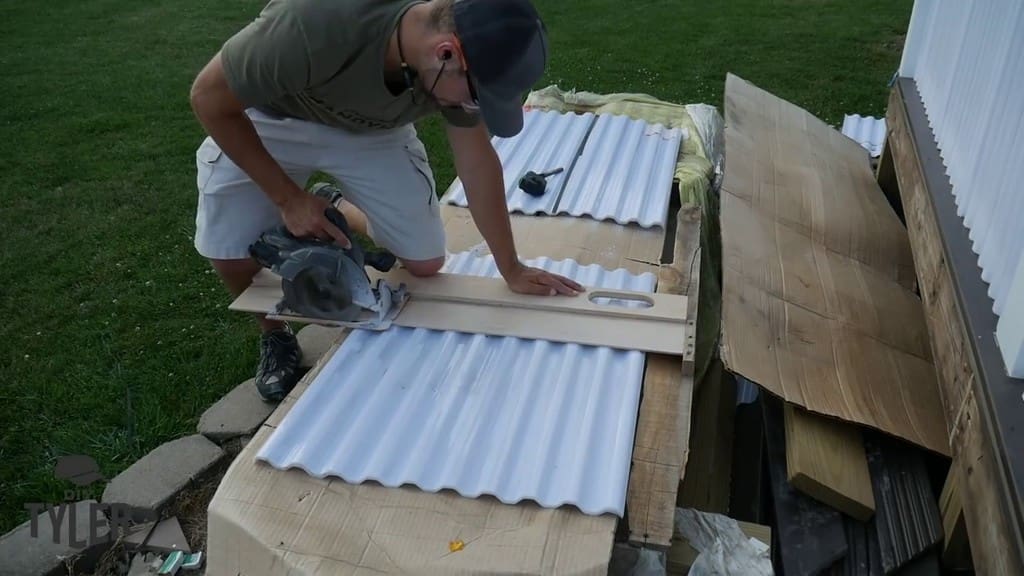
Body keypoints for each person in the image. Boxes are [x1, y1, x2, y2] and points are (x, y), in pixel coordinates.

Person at [189, 0, 585, 402]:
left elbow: (477, 162)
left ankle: (335, 205)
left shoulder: (455, 62)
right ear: (445, 53)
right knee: (231, 252)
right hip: (274, 116)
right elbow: (208, 97)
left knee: (425, 262)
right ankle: (275, 334)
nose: (472, 109)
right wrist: (287, 197)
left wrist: (511, 268)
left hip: (371, 131)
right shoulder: (313, 21)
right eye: (475, 99)